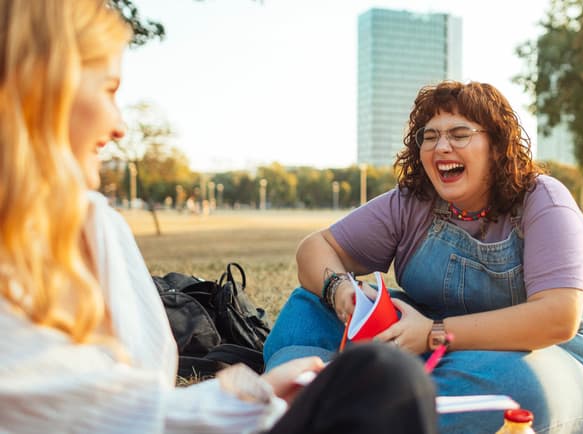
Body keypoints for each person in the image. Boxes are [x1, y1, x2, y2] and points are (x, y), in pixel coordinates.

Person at [0, 1, 438, 433]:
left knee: (382, 378)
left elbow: (130, 404)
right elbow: (81, 416)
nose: (119, 126)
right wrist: (238, 402)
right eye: (108, 90)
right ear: (41, 86)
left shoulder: (95, 225)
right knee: (389, 379)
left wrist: (260, 392)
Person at [264, 80, 583, 434]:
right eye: (430, 136)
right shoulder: (411, 201)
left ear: (497, 145)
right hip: (426, 349)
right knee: (308, 304)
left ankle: (318, 408)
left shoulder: (543, 199)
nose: (441, 146)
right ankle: (326, 404)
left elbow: (557, 318)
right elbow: (317, 248)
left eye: (459, 134)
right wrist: (340, 291)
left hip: (551, 357)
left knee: (517, 384)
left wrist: (434, 333)